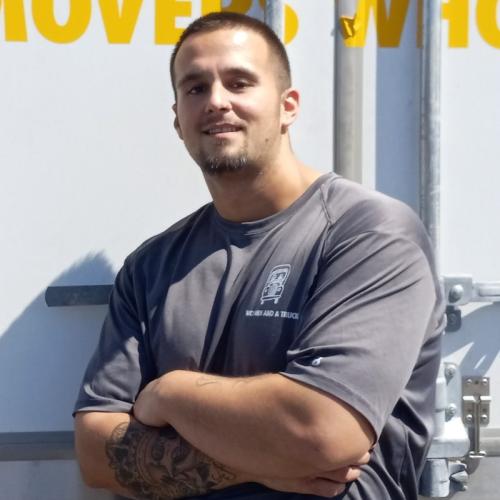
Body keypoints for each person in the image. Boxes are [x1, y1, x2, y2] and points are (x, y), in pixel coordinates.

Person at [74, 11, 445, 500]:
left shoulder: (371, 233)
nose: (216, 102)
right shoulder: (151, 266)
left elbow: (319, 432)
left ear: (288, 106)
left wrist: (169, 392)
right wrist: (262, 462)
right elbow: (95, 453)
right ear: (178, 120)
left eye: (239, 82)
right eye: (195, 88)